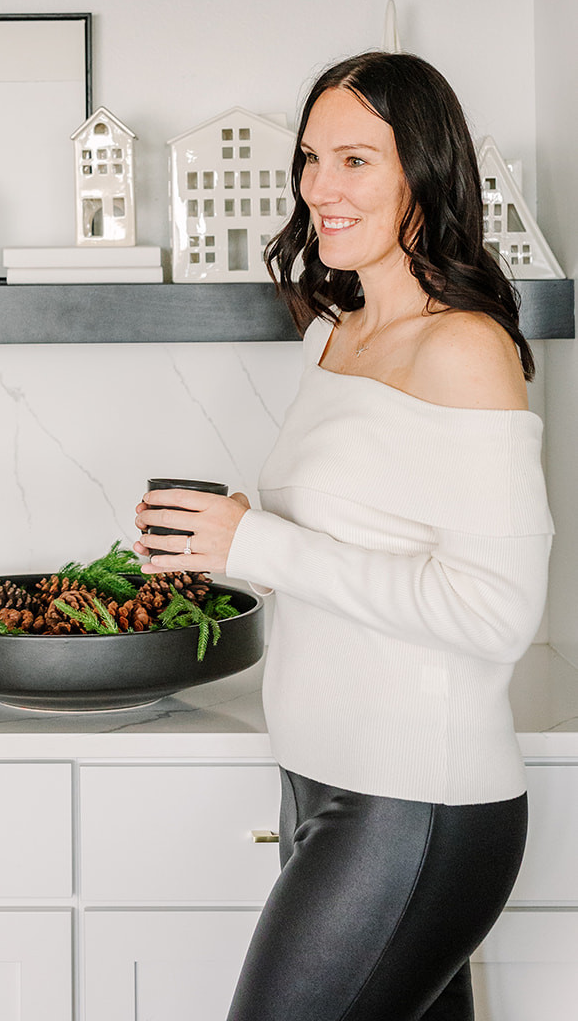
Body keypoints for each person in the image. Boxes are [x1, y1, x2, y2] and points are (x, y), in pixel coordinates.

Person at [133, 51, 553, 1021]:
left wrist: (260, 547)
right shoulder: (334, 331)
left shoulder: (464, 348)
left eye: (355, 159)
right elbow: (354, 540)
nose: (319, 187)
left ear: (425, 173)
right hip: (322, 779)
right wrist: (232, 540)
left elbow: (492, 612)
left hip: (416, 801)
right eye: (310, 157)